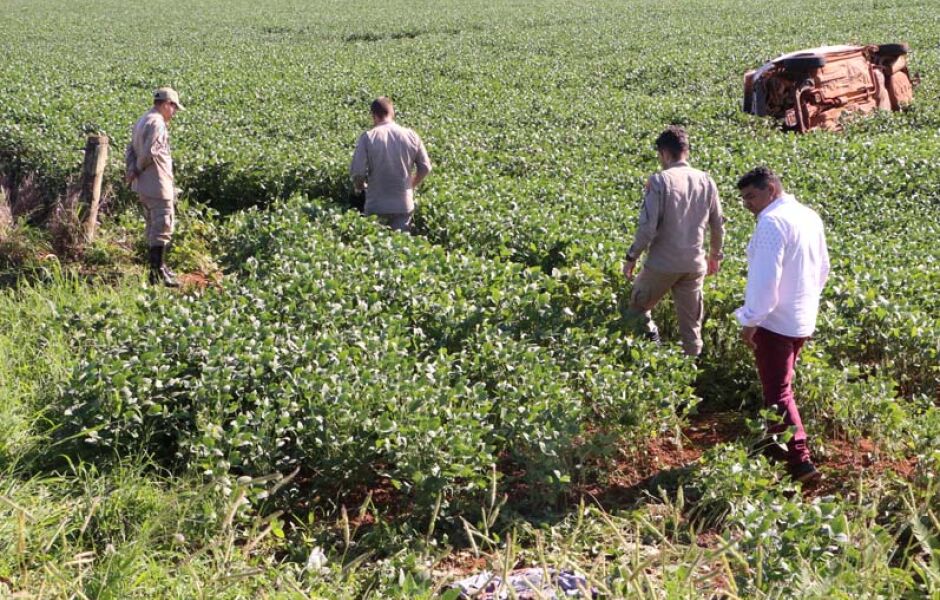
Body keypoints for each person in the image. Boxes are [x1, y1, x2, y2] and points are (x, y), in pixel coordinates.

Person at [735, 166, 830, 483]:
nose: (747, 204)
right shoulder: (808, 215)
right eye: (744, 198)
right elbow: (822, 269)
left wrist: (751, 320)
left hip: (774, 321)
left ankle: (800, 462)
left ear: (771, 190)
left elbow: (765, 281)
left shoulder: (771, 222)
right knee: (777, 386)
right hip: (801, 317)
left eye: (751, 196)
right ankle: (773, 446)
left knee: (778, 392)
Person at [622, 125, 724, 357]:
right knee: (691, 328)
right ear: (685, 151)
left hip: (662, 264)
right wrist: (714, 256)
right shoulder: (706, 181)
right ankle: (691, 377)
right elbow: (717, 225)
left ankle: (652, 346)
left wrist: (631, 257)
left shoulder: (659, 181)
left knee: (636, 310)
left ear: (665, 154)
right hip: (694, 265)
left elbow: (647, 228)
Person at [125, 87, 183, 287]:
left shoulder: (143, 119)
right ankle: (156, 273)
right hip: (156, 183)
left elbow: (130, 149)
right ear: (167, 104)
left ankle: (160, 267)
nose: (174, 113)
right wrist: (138, 169)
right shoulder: (157, 123)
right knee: (162, 226)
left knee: (153, 225)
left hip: (144, 186)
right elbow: (151, 152)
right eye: (174, 107)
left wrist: (131, 169)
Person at [349, 97, 432, 233]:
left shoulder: (368, 137)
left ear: (374, 116)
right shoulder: (411, 135)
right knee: (400, 249)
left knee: (375, 248)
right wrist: (410, 185)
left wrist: (361, 187)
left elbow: (358, 173)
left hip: (376, 205)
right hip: (403, 205)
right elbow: (425, 168)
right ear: (392, 113)